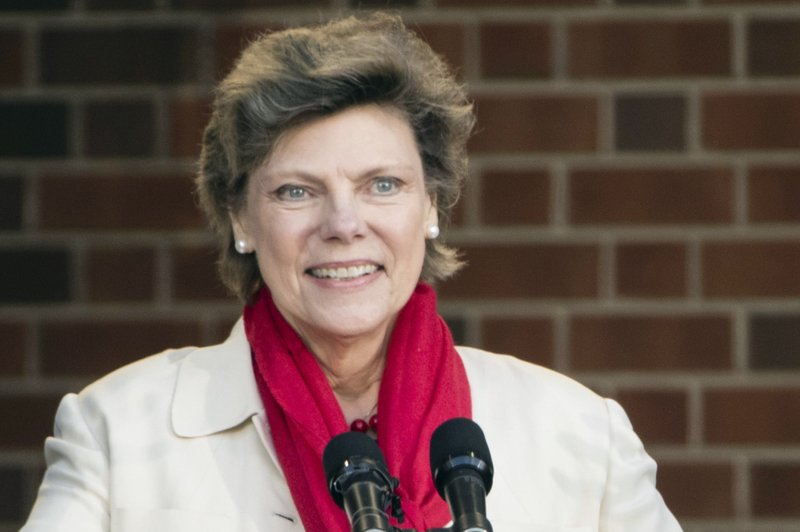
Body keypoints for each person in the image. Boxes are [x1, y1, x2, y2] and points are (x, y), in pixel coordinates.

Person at [21, 12, 682, 532]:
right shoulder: (116, 431)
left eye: (382, 184)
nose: (344, 224)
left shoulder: (578, 434)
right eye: (296, 192)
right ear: (241, 220)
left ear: (432, 204)